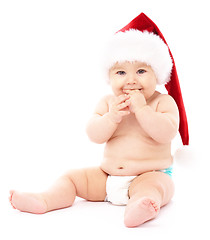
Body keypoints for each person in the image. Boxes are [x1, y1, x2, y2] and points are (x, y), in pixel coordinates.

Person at [9, 13, 189, 228]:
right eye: (121, 72)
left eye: (141, 71)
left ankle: (139, 207)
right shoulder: (108, 103)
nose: (131, 80)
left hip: (150, 174)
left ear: (157, 73)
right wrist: (111, 117)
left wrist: (142, 110)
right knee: (72, 178)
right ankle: (45, 200)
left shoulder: (163, 102)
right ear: (109, 76)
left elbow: (166, 133)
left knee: (155, 188)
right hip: (106, 177)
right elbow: (94, 134)